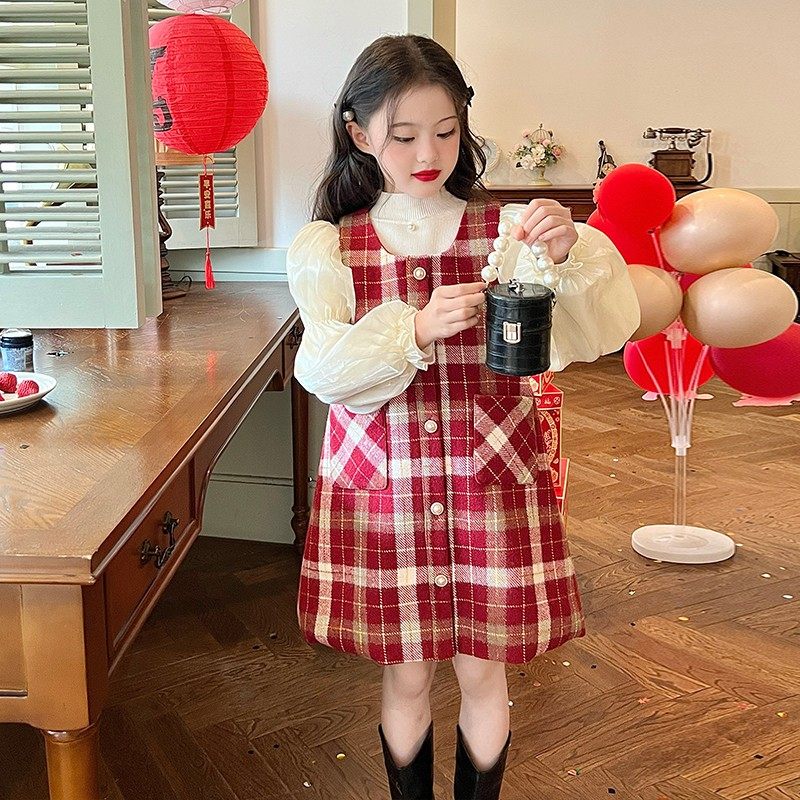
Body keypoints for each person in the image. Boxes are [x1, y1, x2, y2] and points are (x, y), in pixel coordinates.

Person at [286, 34, 640, 800]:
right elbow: (322, 372)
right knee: (408, 673)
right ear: (358, 134)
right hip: (385, 490)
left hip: (492, 479)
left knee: (485, 671)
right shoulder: (331, 246)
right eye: (403, 135)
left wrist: (567, 251)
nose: (428, 154)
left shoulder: (508, 234)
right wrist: (412, 330)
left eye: (445, 132)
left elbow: (594, 334)